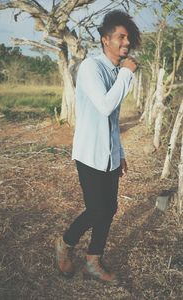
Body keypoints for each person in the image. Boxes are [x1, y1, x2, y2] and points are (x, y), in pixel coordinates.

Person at [55, 9, 140, 282]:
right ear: (105, 40)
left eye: (129, 39)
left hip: (109, 156)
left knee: (111, 208)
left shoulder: (115, 70)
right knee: (97, 210)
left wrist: (121, 152)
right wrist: (127, 74)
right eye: (121, 37)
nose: (126, 43)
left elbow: (113, 120)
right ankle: (65, 243)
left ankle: (93, 260)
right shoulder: (91, 67)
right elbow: (104, 106)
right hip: (90, 154)